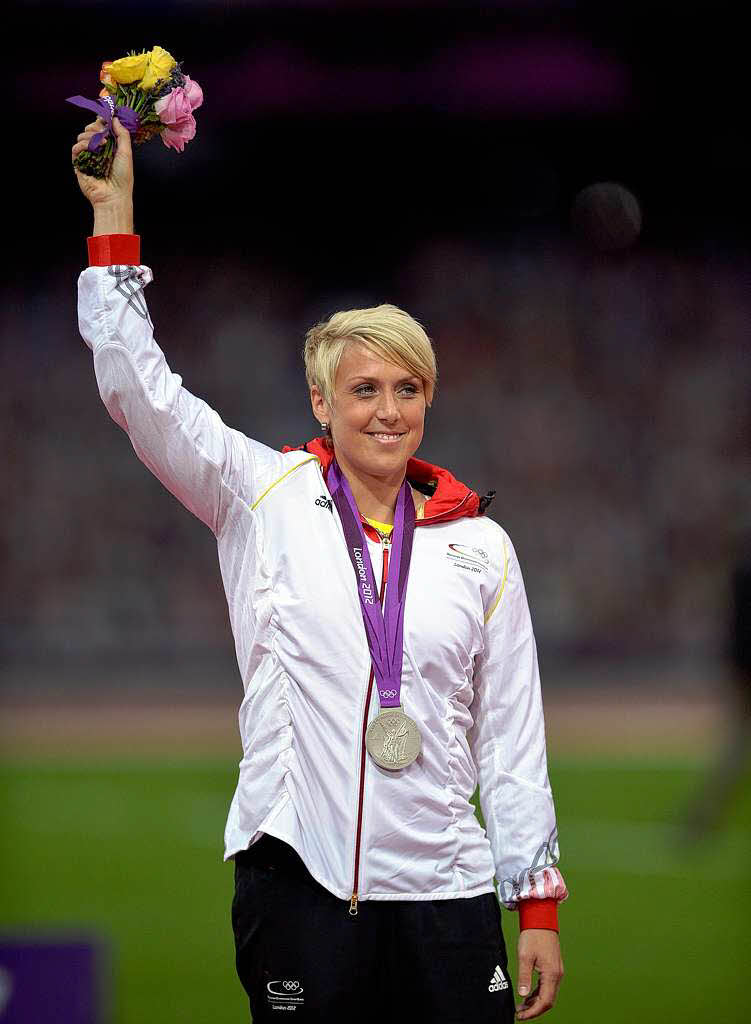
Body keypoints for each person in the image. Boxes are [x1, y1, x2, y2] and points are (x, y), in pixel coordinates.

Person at [72, 116, 568, 1023]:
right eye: (364, 389)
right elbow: (136, 389)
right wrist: (115, 220)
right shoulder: (258, 495)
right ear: (320, 400)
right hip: (298, 885)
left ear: (428, 398)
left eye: (407, 388)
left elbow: (509, 734)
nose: (388, 410)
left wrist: (533, 902)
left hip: (445, 896)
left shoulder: (479, 545)